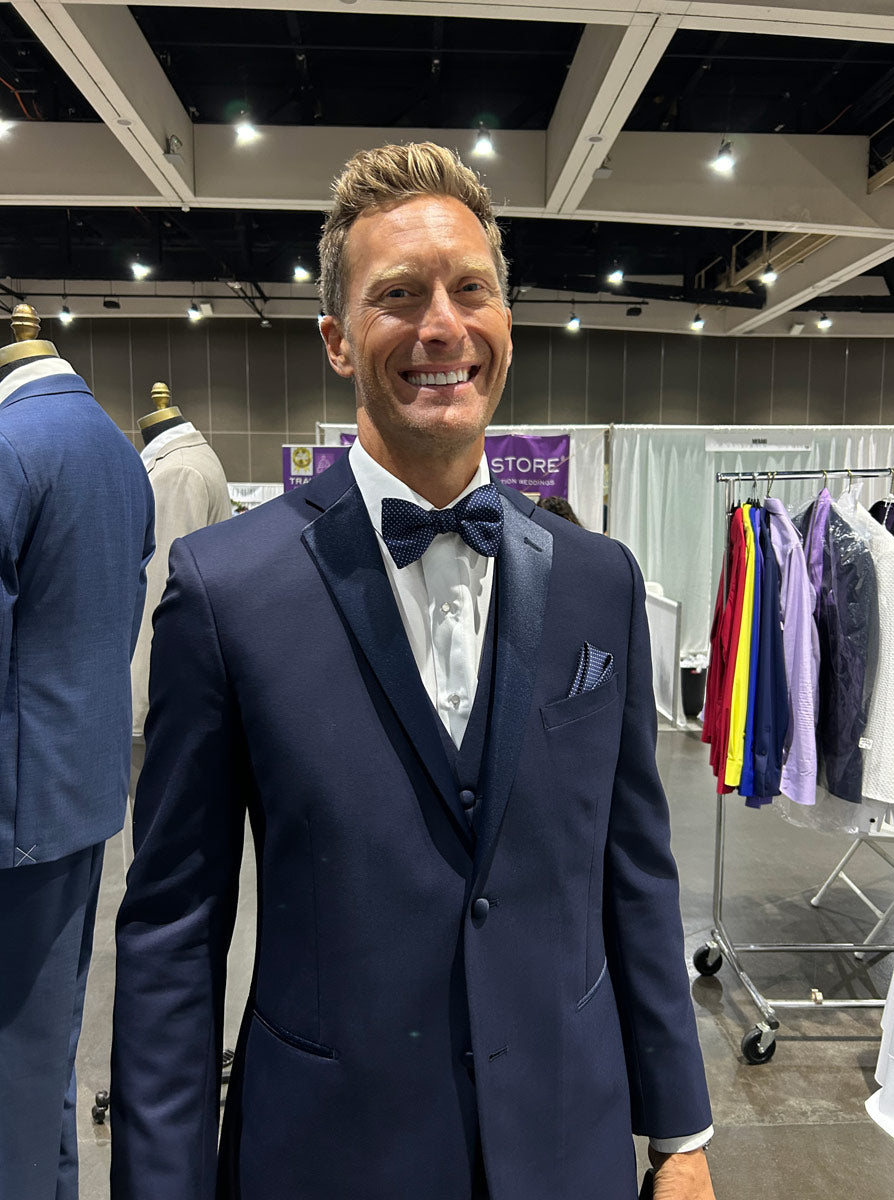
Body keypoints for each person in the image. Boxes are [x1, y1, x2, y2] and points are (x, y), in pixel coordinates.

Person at [111, 142, 714, 1200]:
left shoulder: (598, 579)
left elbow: (637, 877)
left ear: (507, 330)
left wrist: (682, 1137)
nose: (441, 325)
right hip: (328, 1154)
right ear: (338, 340)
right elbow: (173, 928)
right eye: (398, 295)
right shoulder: (225, 592)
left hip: (567, 1143)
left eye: (469, 290)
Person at [0, 306, 154, 1200]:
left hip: (12, 807)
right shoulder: (112, 450)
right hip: (81, 792)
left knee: (14, 1069)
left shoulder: (13, 448)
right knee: (41, 1051)